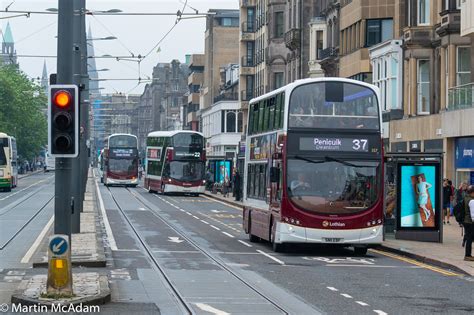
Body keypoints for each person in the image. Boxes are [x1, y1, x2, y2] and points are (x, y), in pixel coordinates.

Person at [463, 186, 474, 261]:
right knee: (470, 239)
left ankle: (468, 255)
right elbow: (473, 214)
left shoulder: (466, 198)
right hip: (470, 222)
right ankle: (467, 255)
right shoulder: (472, 201)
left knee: (469, 238)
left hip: (466, 221)